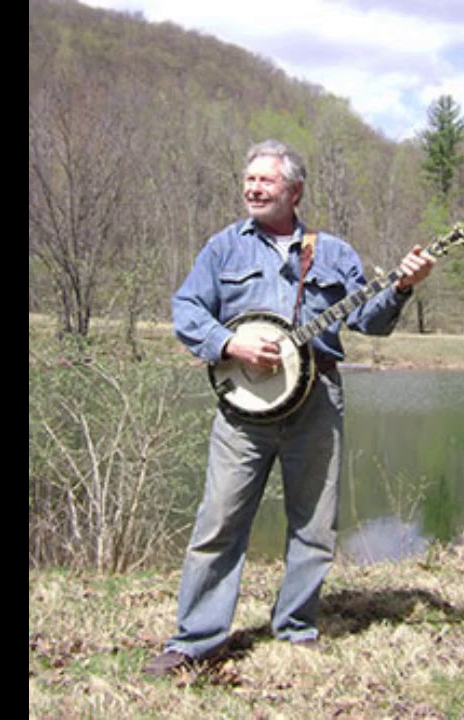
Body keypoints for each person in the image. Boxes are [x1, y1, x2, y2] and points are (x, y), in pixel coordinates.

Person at [144, 139, 435, 676]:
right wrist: (228, 344)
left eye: (265, 181)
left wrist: (400, 287)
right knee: (219, 521)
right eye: (249, 179)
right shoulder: (223, 248)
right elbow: (186, 308)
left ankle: (296, 628)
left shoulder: (334, 253)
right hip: (243, 410)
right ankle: (196, 640)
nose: (253, 188)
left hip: (317, 401)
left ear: (294, 191)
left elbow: (369, 321)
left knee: (315, 525)